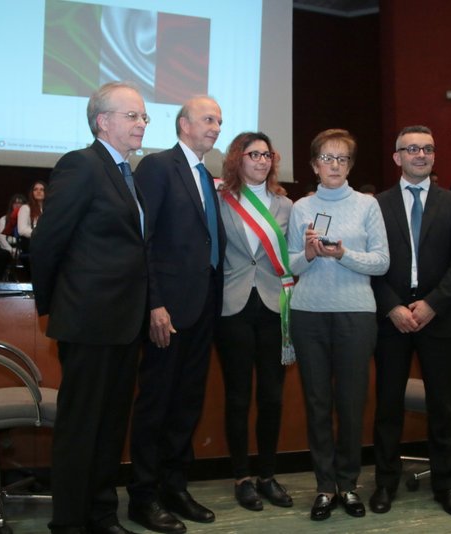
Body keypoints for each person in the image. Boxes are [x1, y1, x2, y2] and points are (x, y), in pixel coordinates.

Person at [30, 81, 149, 534]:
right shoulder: (82, 165)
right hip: (88, 321)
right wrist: (56, 307)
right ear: (103, 121)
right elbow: (48, 241)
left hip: (124, 322)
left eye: (143, 116)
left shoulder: (126, 173)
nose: (142, 123)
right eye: (133, 115)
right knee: (81, 428)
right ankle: (69, 523)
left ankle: (101, 514)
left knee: (110, 427)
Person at [127, 95, 226, 534]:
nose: (216, 127)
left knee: (187, 402)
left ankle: (175, 487)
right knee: (157, 403)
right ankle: (143, 496)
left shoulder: (205, 174)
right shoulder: (157, 166)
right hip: (167, 309)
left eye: (219, 121)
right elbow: (143, 239)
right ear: (183, 124)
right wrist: (154, 302)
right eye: (208, 119)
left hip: (204, 306)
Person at [370, 125, 451, 518]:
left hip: (439, 318)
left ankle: (446, 485)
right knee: (388, 406)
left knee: (443, 406)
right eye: (412, 149)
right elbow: (370, 264)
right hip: (391, 320)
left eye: (427, 149)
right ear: (397, 157)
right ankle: (385, 483)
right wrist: (393, 307)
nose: (421, 155)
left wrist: (432, 304)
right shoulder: (377, 205)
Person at [286, 129, 389, 522]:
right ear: (314, 165)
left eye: (342, 158)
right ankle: (324, 487)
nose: (334, 165)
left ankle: (348, 484)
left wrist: (344, 254)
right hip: (309, 313)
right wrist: (309, 254)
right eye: (326, 158)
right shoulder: (301, 207)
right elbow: (290, 264)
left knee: (350, 402)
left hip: (355, 314)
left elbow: (382, 262)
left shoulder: (367, 205)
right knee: (317, 404)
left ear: (350, 165)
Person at [213, 132, 294, 512]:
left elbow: (293, 256)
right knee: (238, 396)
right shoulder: (220, 200)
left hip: (274, 307)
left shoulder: (285, 205)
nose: (262, 161)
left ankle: (267, 475)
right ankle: (241, 477)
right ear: (238, 158)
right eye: (253, 154)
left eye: (266, 155)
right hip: (233, 307)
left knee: (272, 397)